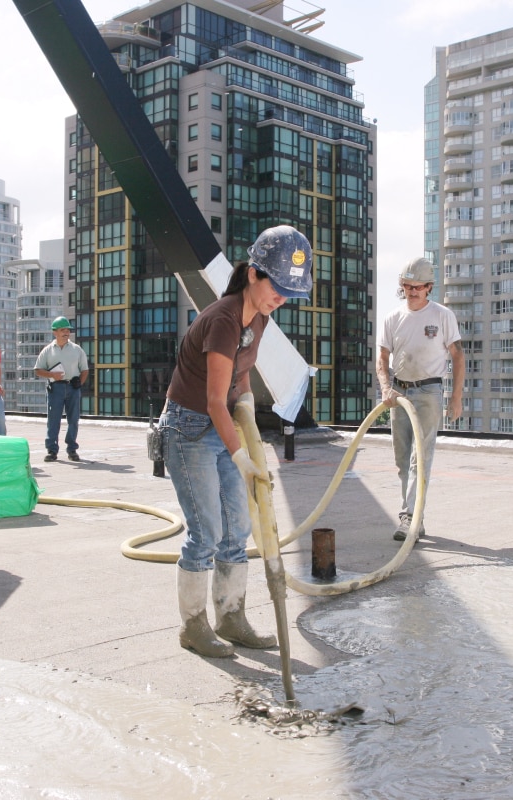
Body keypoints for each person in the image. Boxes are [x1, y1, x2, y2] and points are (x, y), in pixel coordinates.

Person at [159, 225, 313, 658]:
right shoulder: (224, 319)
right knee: (206, 531)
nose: (280, 297)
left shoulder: (258, 317)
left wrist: (244, 401)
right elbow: (212, 401)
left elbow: (240, 373)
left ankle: (231, 617)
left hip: (219, 424)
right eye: (277, 287)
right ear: (253, 274)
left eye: (289, 291)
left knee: (238, 529)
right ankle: (193, 626)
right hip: (188, 430)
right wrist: (243, 456)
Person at [376, 257, 465, 541]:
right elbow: (382, 357)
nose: (412, 291)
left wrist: (456, 399)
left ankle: (409, 518)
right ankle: (415, 517)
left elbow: (458, 356)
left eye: (417, 287)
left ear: (428, 287)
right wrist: (386, 388)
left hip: (428, 392)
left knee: (420, 459)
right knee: (403, 459)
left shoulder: (442, 316)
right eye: (407, 286)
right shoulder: (393, 318)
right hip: (400, 392)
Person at [34, 316, 89, 462]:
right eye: (62, 330)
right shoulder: (47, 351)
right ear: (55, 332)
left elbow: (85, 370)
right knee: (53, 420)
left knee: (73, 419)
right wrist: (51, 375)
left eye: (67, 330)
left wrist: (80, 383)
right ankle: (52, 450)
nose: (66, 332)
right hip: (55, 388)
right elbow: (38, 370)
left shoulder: (77, 350)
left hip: (72, 387)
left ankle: (72, 449)